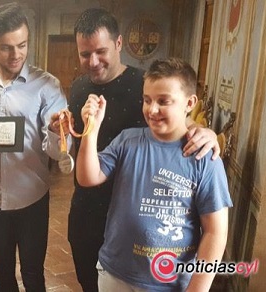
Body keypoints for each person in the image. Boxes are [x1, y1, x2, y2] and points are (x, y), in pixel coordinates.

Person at [49, 8, 221, 291]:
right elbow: (82, 134)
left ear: (118, 44)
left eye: (100, 51)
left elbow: (178, 119)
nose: (92, 61)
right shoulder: (79, 85)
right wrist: (63, 127)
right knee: (90, 282)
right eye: (84, 53)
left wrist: (206, 132)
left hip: (138, 212)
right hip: (87, 205)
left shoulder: (145, 84)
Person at [76, 57, 232, 291]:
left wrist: (197, 288)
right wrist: (91, 128)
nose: (152, 109)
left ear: (189, 103)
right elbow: (88, 177)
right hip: (115, 274)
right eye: (147, 100)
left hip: (168, 282)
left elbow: (215, 232)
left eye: (163, 101)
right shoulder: (128, 141)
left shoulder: (204, 158)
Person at [0, 2, 69, 291]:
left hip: (31, 198)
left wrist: (54, 130)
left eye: (22, 45)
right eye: (6, 47)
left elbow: (59, 153)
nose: (16, 55)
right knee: (2, 272)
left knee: (34, 273)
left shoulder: (47, 85)